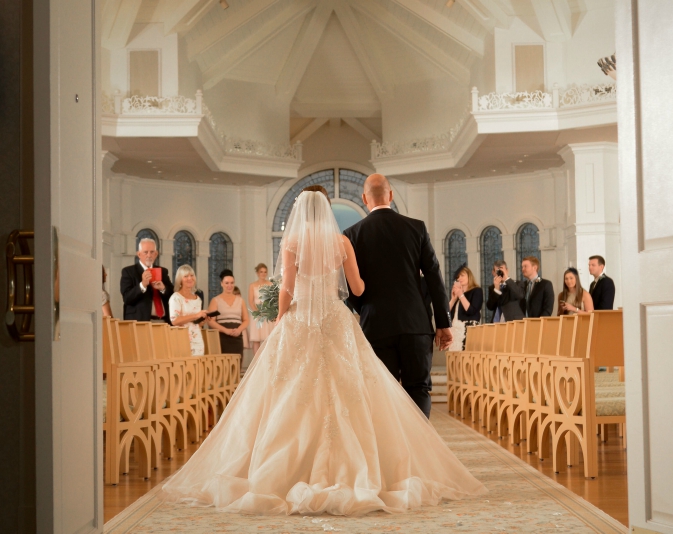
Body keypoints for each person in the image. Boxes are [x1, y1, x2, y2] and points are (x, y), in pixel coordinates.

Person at [159, 190, 485, 515]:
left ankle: (278, 470)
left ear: (299, 211)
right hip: (335, 319)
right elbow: (357, 288)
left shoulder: (293, 243)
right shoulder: (341, 243)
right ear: (327, 210)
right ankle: (367, 470)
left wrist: (279, 318)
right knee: (352, 391)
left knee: (286, 392)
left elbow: (286, 288)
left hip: (299, 320)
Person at [342, 175, 452, 419]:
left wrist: (366, 308)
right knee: (419, 388)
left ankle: (392, 453)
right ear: (390, 196)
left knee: (383, 391)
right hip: (416, 324)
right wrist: (443, 323)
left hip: (376, 325)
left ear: (364, 199)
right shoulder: (416, 227)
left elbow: (349, 287)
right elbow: (434, 276)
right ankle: (419, 447)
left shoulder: (352, 234)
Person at [120, 238, 174, 322]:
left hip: (163, 321)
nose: (149, 255)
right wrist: (142, 285)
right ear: (139, 254)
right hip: (139, 322)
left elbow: (173, 296)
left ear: (156, 254)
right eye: (145, 252)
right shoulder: (128, 272)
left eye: (152, 252)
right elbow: (127, 298)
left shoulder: (163, 271)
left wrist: (163, 288)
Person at [207, 269, 249, 356]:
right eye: (227, 283)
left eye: (232, 283)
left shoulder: (241, 301)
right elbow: (210, 321)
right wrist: (226, 330)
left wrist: (239, 330)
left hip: (237, 338)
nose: (229, 285)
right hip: (221, 338)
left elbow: (246, 320)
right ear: (221, 283)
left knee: (236, 366)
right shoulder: (215, 301)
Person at [168, 265, 208, 356]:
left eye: (192, 275)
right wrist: (196, 315)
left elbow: (196, 324)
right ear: (180, 280)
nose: (190, 278)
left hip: (197, 339)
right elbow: (174, 321)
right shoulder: (176, 297)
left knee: (197, 368)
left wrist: (203, 320)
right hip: (181, 338)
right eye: (186, 276)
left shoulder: (198, 299)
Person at [449, 266, 483, 350]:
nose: (460, 278)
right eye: (458, 277)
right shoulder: (458, 296)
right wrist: (453, 300)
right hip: (455, 330)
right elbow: (447, 314)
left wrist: (461, 295)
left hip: (468, 330)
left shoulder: (476, 291)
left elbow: (471, 310)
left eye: (462, 275)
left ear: (469, 276)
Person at [247, 263, 276, 352]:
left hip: (267, 314)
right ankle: (256, 362)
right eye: (261, 272)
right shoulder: (252, 285)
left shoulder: (270, 284)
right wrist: (257, 312)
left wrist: (269, 311)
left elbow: (273, 300)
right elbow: (251, 301)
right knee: (256, 339)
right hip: (257, 314)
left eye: (265, 272)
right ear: (257, 273)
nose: (263, 274)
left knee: (268, 338)